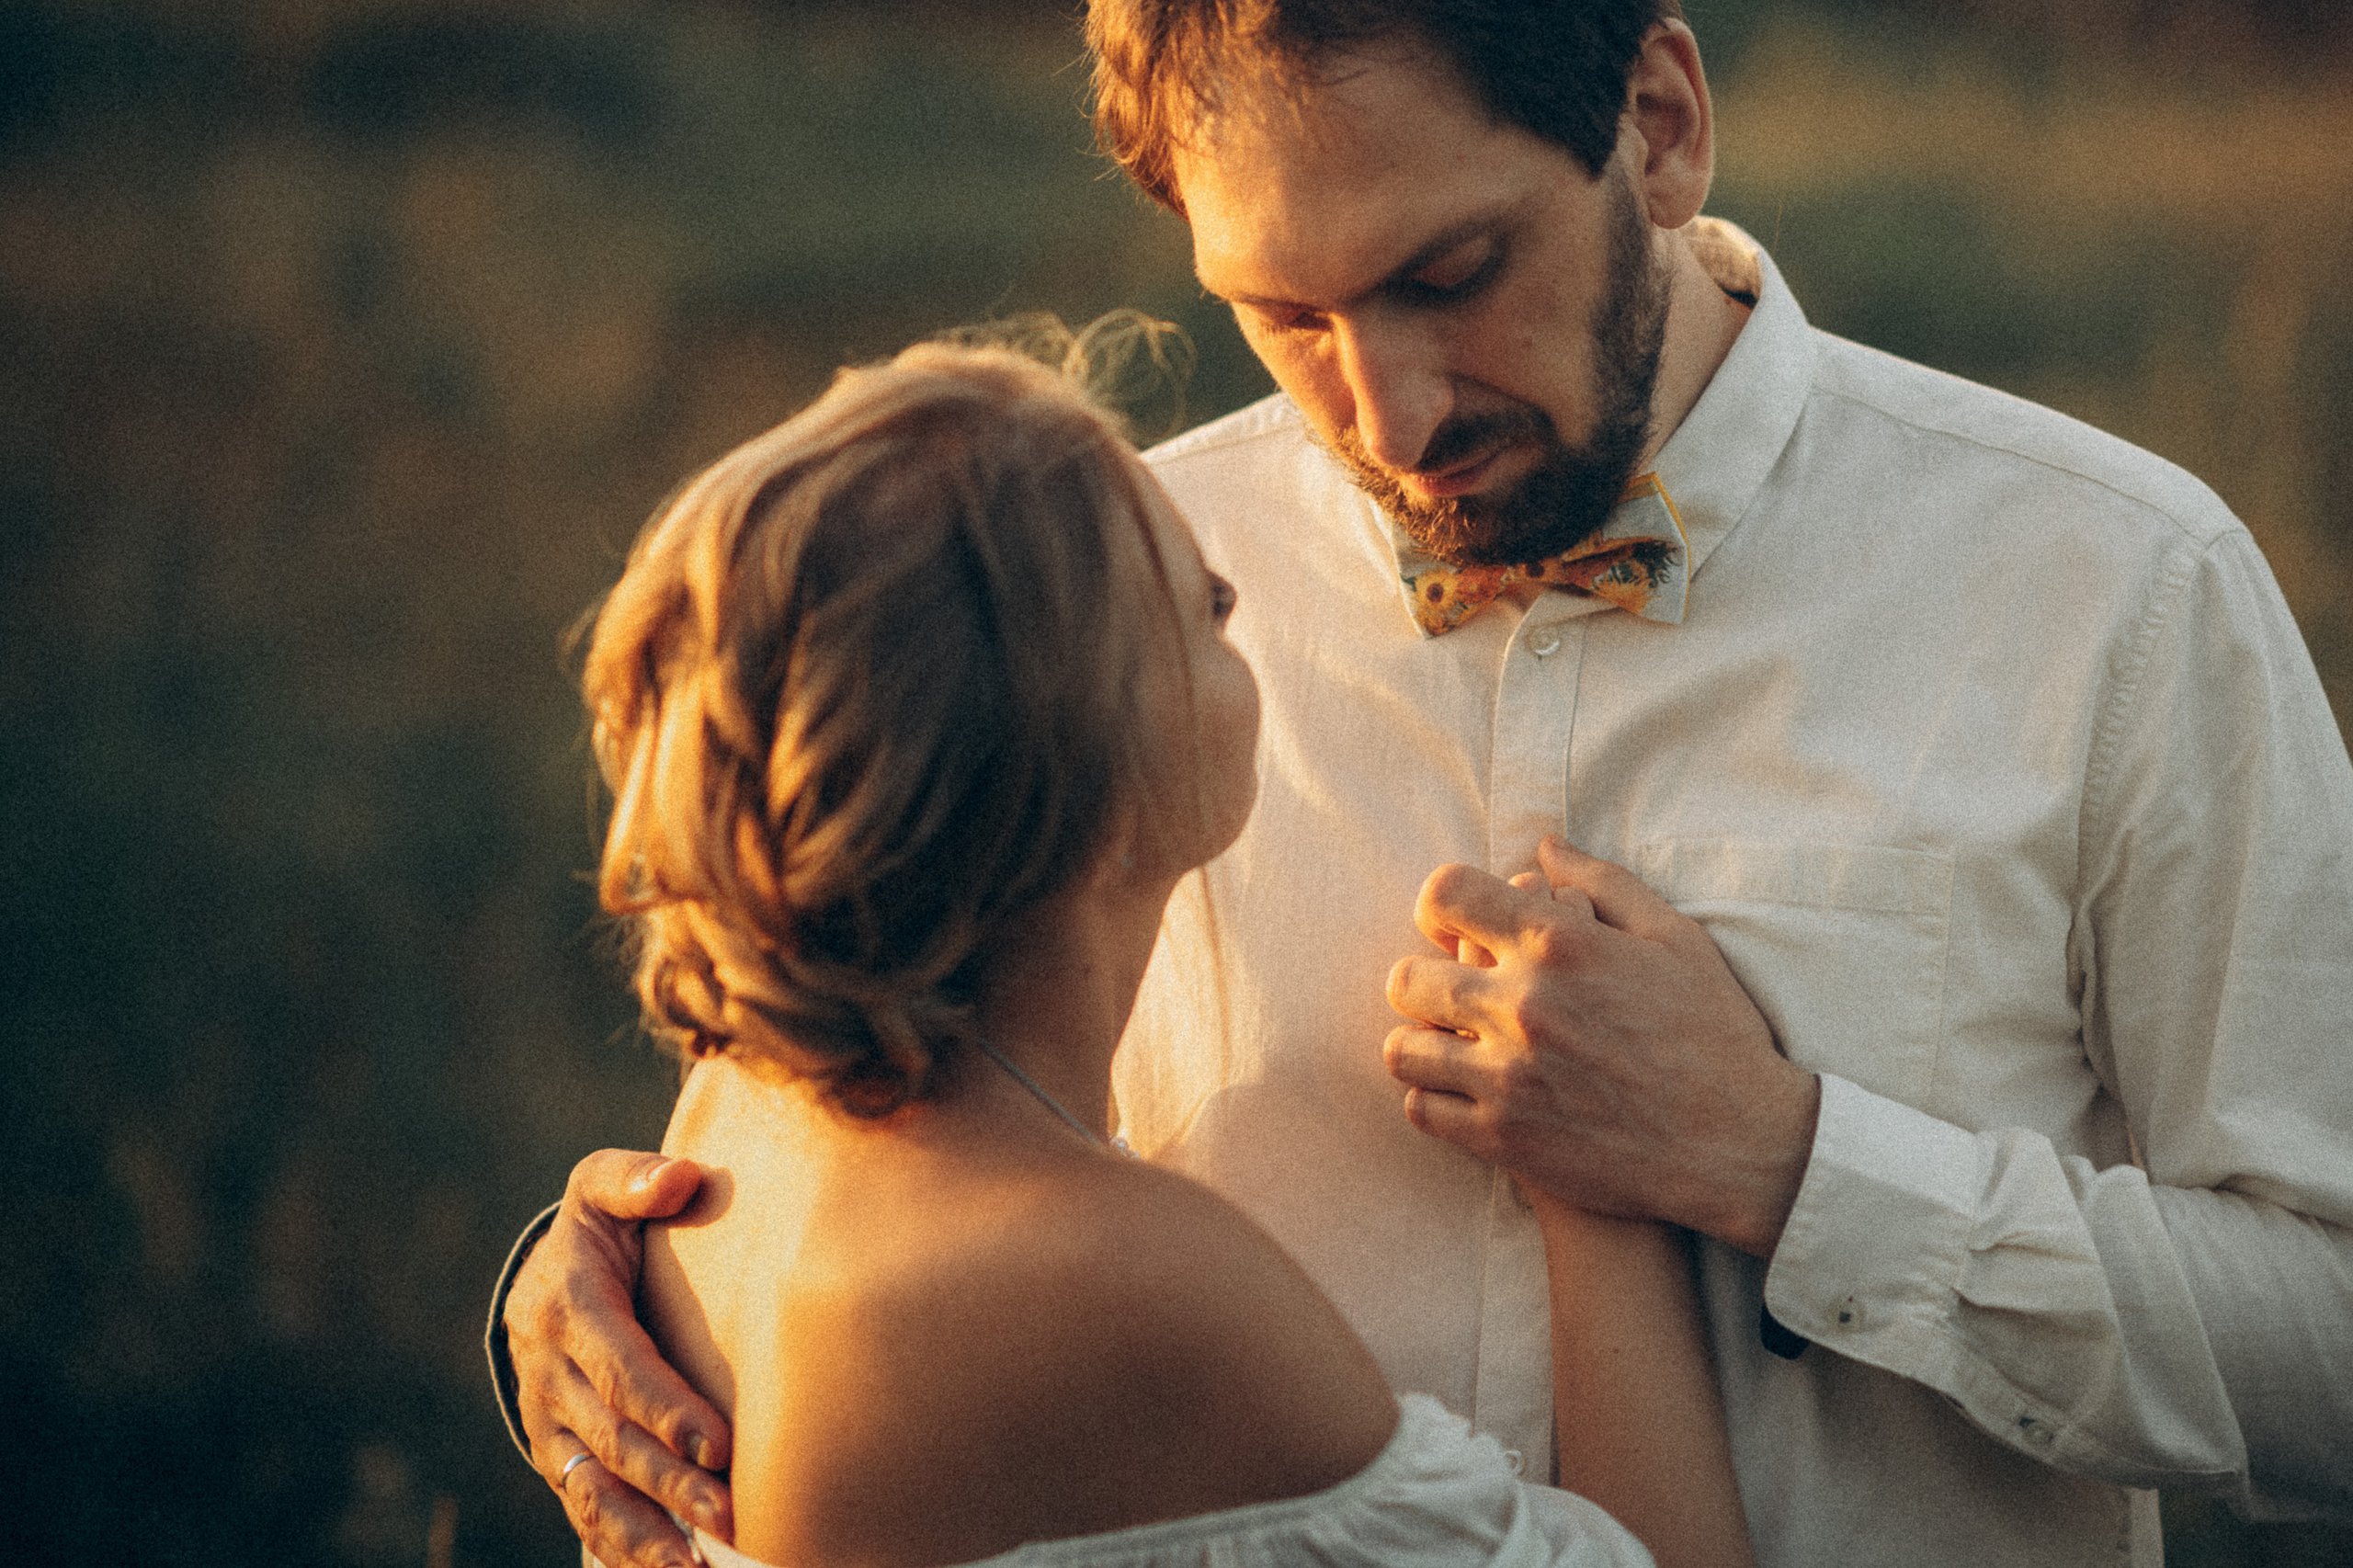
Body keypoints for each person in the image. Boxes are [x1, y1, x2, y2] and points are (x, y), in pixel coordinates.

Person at [495, 6, 2353, 1566]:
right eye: (1282, 318)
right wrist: (592, 1282)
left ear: (1655, 123)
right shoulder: (1121, 604)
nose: (1383, 421)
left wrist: (1789, 1164)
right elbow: (836, 1079)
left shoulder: (2112, 588)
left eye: (1447, 275)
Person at [544, 325, 1758, 1567]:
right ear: (1089, 769)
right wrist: (1597, 1174)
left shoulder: (721, 1136)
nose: (1246, 625)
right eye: (1209, 609)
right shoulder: (1111, 1274)